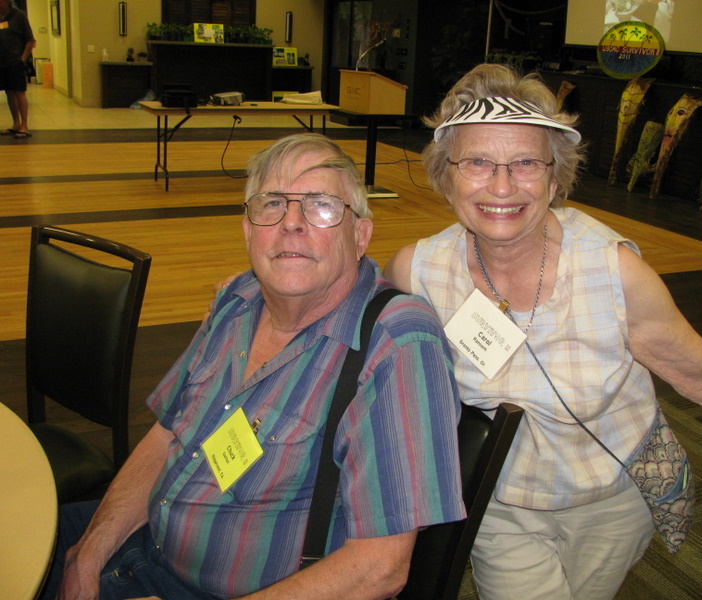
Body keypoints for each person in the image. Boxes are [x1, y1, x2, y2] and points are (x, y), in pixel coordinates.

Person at [382, 63, 702, 600]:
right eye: (478, 162)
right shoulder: (418, 272)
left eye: (526, 163)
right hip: (497, 500)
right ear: (447, 177)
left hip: (613, 497)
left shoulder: (613, 270)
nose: (502, 185)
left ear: (555, 178)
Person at [44, 133, 465, 600]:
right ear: (248, 230)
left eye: (321, 205)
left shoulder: (396, 342)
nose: (292, 223)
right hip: (139, 539)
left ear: (360, 235)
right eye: (272, 204)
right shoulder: (237, 299)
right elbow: (166, 435)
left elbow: (380, 568)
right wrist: (88, 553)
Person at [0, 0, 35, 138]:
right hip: (1, 62)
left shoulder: (19, 15)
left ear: (7, 2)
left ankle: (25, 126)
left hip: (15, 61)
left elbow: (30, 40)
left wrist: (23, 58)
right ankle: (16, 124)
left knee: (19, 92)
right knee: (9, 92)